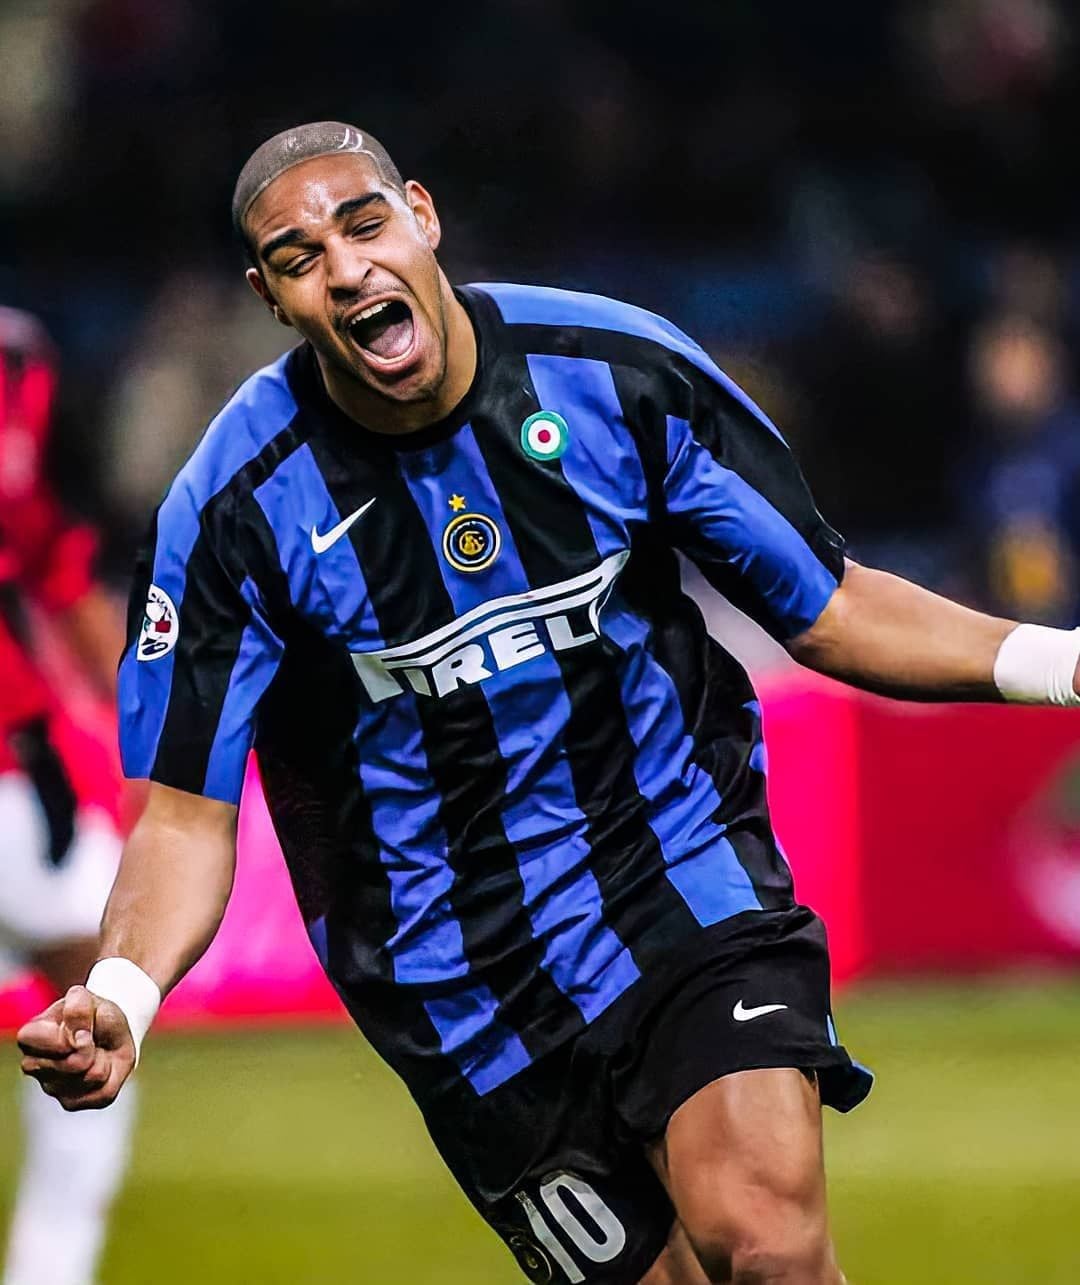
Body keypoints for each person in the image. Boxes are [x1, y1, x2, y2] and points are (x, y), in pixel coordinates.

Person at [16, 123, 1080, 1285]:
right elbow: (182, 815)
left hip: (674, 872)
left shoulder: (617, 373)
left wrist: (1060, 661)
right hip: (454, 979)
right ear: (271, 296)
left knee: (769, 1246)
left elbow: (831, 605)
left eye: (364, 223)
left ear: (422, 216)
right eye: (300, 254)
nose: (347, 265)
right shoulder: (233, 509)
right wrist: (119, 993)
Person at [0, 307, 134, 1285]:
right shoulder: (17, 365)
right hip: (18, 772)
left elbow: (58, 564)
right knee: (95, 1008)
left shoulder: (22, 367)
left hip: (21, 769)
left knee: (93, 1000)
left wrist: (143, 751)